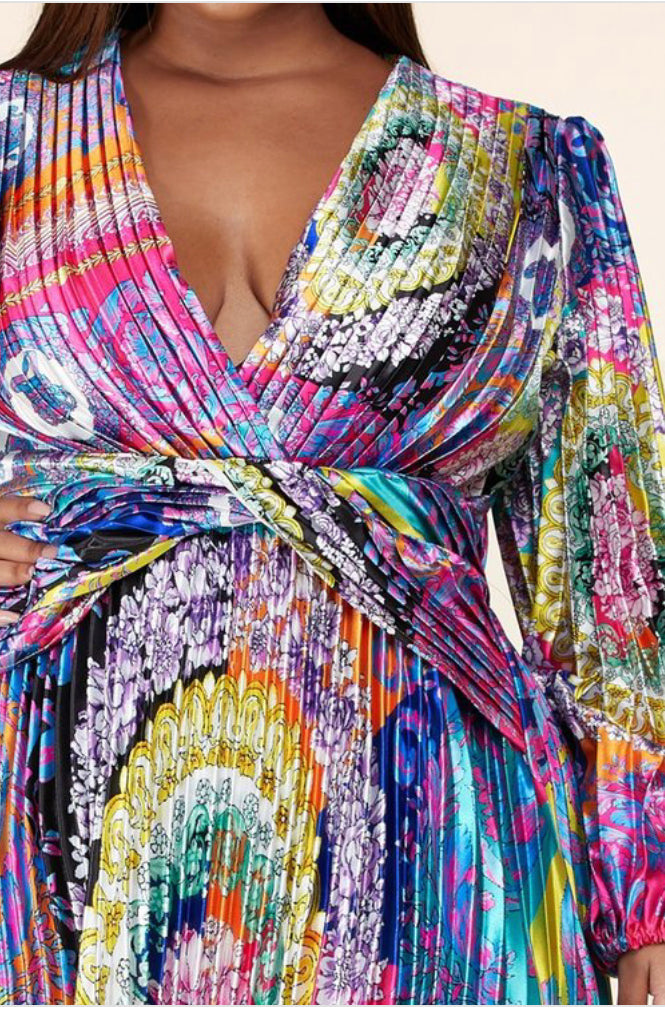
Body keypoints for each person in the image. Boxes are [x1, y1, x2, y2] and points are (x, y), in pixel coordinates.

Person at [0, 1, 662, 1005]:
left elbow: (607, 549)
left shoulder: (519, 164)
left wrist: (646, 878)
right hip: (42, 821)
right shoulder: (13, 135)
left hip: (433, 840)